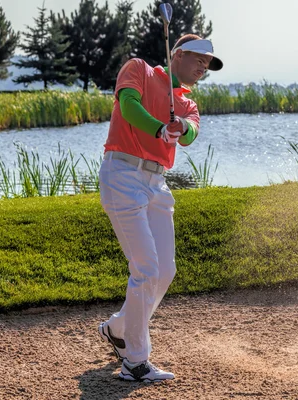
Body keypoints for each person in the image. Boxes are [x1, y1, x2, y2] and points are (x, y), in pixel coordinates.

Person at [97, 34, 223, 382]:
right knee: (146, 268)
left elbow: (191, 131)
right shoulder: (138, 69)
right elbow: (129, 106)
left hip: (157, 183)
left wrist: (180, 127)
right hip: (122, 173)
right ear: (176, 54)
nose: (203, 67)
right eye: (198, 59)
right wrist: (158, 128)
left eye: (208, 64)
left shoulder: (186, 103)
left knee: (164, 270)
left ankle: (119, 329)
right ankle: (135, 361)